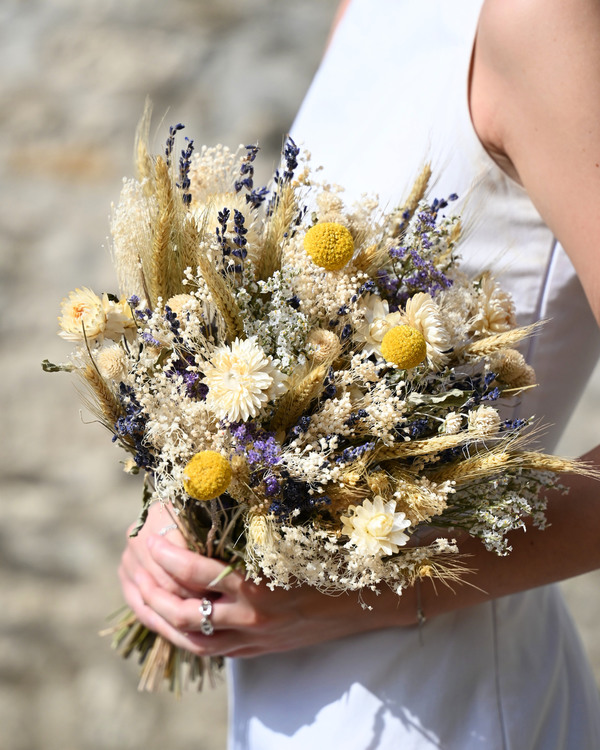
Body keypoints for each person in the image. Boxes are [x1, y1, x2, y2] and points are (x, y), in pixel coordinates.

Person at [119, 0, 600, 747]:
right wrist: (186, 512)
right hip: (292, 698)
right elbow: (300, 318)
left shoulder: (544, 20)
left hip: (451, 704)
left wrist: (367, 591)